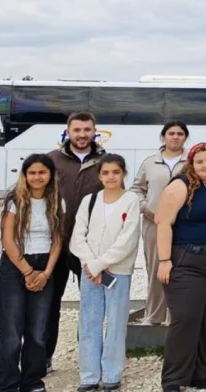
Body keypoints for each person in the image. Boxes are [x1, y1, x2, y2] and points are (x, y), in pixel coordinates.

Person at [155, 143, 206, 392]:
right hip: (186, 261)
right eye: (199, 161)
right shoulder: (181, 185)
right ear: (192, 164)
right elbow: (163, 222)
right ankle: (173, 379)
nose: (205, 164)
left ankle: (198, 373)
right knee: (185, 319)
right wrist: (164, 260)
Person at [71, 154, 142, 392]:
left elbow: (128, 239)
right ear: (99, 175)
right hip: (89, 271)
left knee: (116, 322)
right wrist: (91, 263)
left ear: (123, 174)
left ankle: (112, 373)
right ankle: (89, 376)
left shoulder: (131, 200)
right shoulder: (89, 200)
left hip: (117, 271)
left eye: (116, 172)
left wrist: (101, 263)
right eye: (106, 172)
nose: (111, 177)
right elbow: (78, 236)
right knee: (89, 322)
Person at [0, 154, 63, 392]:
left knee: (37, 331)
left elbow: (57, 241)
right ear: (25, 175)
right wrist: (27, 271)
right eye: (32, 173)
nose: (37, 177)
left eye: (42, 172)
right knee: (11, 332)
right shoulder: (14, 201)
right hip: (16, 266)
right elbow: (8, 240)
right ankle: (7, 384)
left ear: (50, 175)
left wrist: (45, 273)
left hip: (45, 265)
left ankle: (32, 381)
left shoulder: (56, 201)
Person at [46, 111, 106, 373]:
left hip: (91, 247)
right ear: (68, 131)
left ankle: (91, 360)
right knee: (48, 305)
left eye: (87, 130)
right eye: (77, 130)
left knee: (92, 307)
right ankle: (43, 358)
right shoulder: (51, 160)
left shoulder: (105, 161)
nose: (82, 135)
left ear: (94, 131)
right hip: (55, 244)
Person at [132, 120, 188, 326]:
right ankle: (154, 316)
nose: (175, 137)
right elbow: (136, 189)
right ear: (163, 137)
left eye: (180, 133)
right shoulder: (149, 162)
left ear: (185, 137)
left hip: (183, 226)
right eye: (171, 133)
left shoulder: (191, 162)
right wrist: (146, 208)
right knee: (156, 269)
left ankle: (176, 318)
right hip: (153, 224)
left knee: (181, 271)